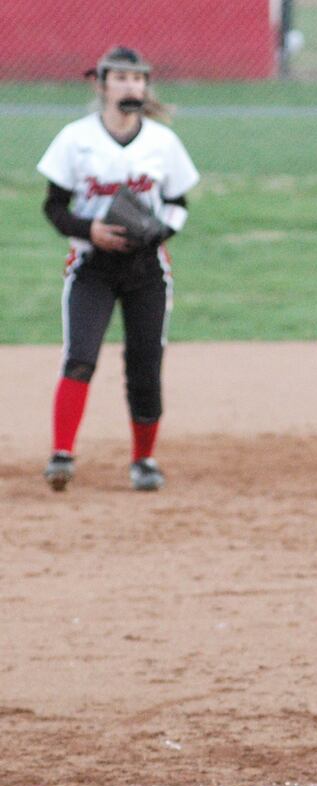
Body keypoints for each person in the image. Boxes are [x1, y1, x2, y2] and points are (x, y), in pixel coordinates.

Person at [35, 46, 199, 494]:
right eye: (122, 78)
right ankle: (62, 454)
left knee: (145, 365)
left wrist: (157, 233)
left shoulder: (162, 142)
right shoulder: (76, 138)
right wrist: (90, 229)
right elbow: (54, 207)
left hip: (147, 269)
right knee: (81, 356)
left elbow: (179, 204)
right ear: (101, 83)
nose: (132, 86)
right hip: (93, 266)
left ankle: (144, 460)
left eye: (139, 78)